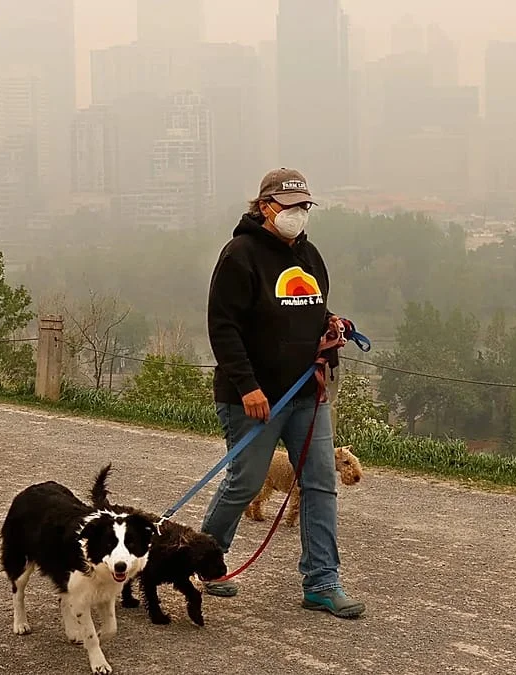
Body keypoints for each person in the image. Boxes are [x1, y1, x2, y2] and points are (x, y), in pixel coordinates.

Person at [200, 167, 365, 619]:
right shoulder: (240, 255)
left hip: (307, 394)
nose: (299, 213)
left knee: (320, 483)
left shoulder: (309, 256)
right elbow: (223, 327)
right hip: (253, 399)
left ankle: (322, 581)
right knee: (246, 482)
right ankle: (206, 561)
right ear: (265, 207)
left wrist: (331, 323)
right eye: (290, 205)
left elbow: (310, 308)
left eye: (305, 206)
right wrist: (248, 386)